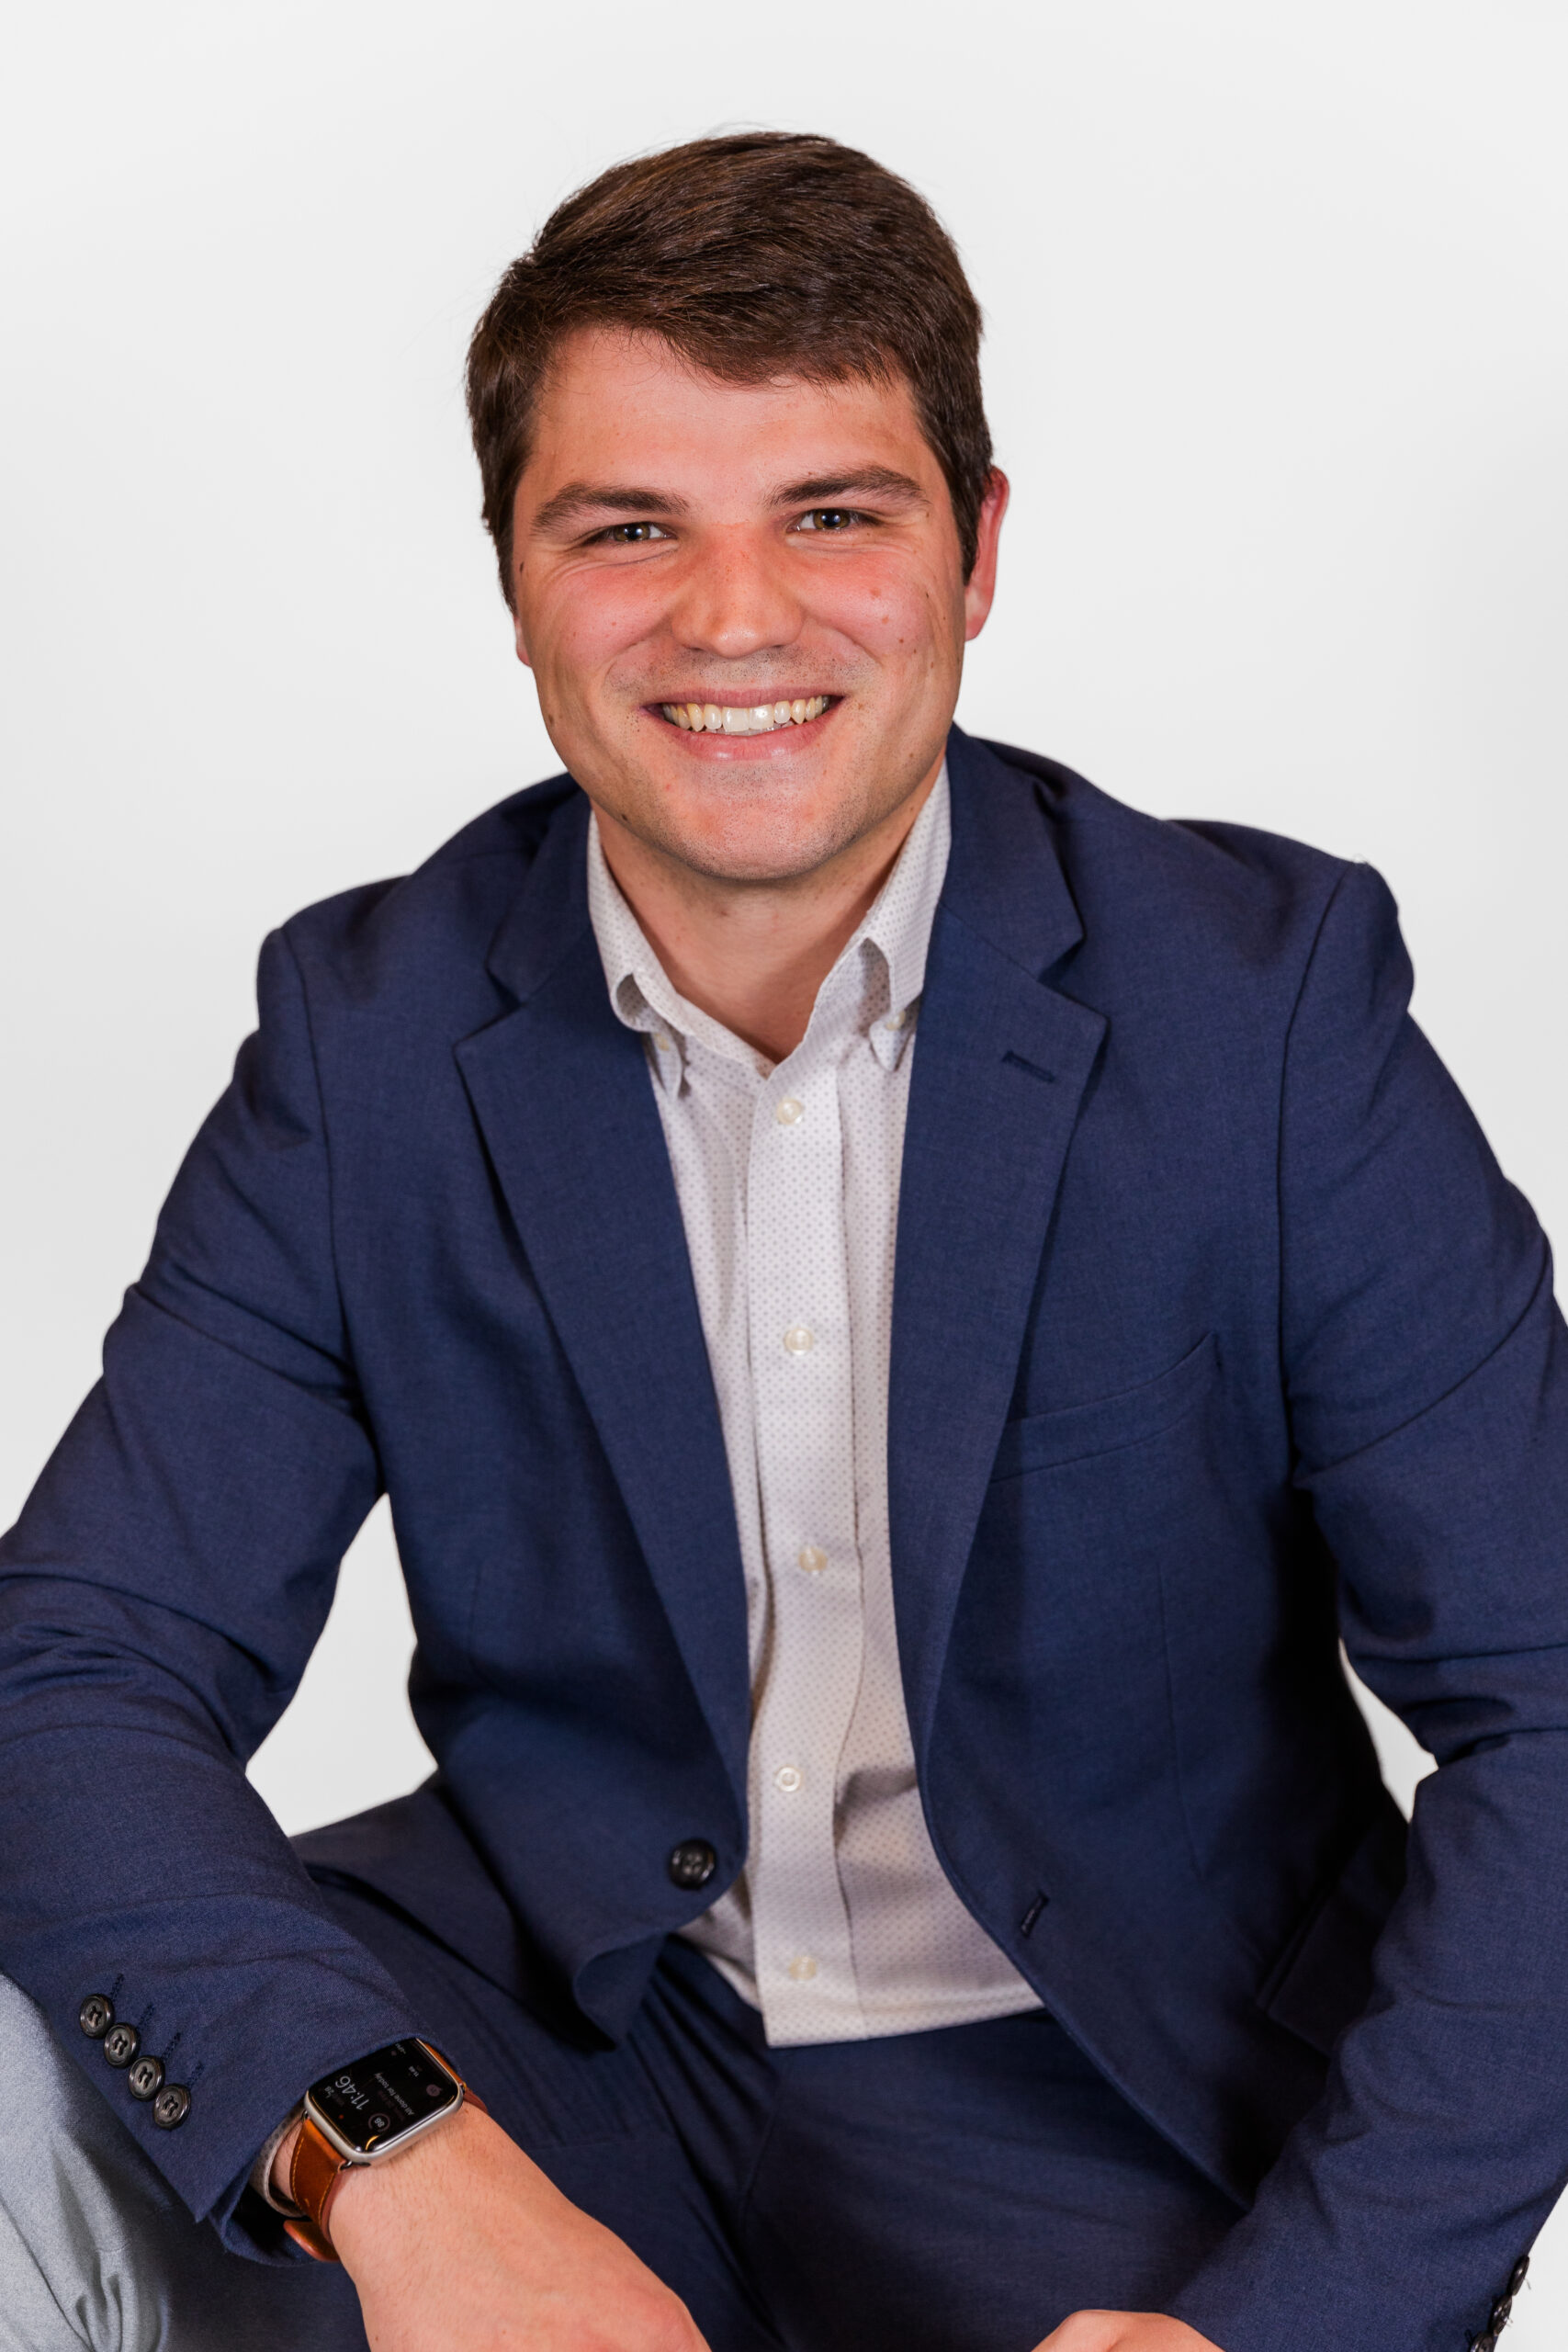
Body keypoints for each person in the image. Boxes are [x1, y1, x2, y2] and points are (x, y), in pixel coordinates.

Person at [0, 129, 1561, 2352]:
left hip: (1119, 2082)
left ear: (975, 548)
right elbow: (71, 1666)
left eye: (830, 512)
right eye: (628, 527)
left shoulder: (1261, 1010)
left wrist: (1293, 2325)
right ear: (515, 577)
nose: (732, 620)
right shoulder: (366, 1035)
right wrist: (390, 2153)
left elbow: (1552, 1699)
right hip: (562, 2030)